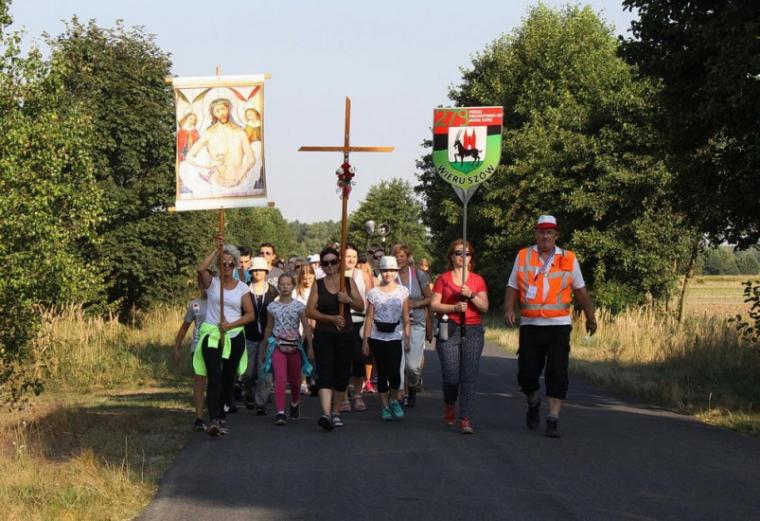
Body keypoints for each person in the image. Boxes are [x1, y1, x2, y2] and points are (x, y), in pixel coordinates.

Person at [504, 215, 597, 438]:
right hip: (531, 324)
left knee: (557, 372)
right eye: (541, 232)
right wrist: (509, 309)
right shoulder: (523, 255)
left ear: (556, 235)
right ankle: (534, 400)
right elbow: (512, 285)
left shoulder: (568, 258)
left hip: (559, 325)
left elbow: (580, 290)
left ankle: (553, 419)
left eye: (549, 232)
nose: (545, 236)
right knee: (526, 374)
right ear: (535, 234)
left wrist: (590, 316)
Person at [195, 237, 255, 436]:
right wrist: (216, 250)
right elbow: (200, 269)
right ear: (219, 265)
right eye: (223, 263)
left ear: (235, 265)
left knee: (228, 379)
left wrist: (231, 325)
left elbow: (250, 315)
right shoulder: (212, 283)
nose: (227, 266)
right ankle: (213, 420)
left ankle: (221, 414)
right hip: (213, 335)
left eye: (230, 263)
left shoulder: (242, 287)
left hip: (234, 335)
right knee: (214, 377)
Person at [430, 239, 489, 434]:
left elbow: (484, 307)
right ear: (451, 256)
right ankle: (449, 402)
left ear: (471, 257)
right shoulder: (443, 279)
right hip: (449, 328)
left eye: (467, 253)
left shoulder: (477, 280)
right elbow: (434, 305)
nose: (463, 257)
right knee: (451, 377)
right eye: (458, 253)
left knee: (469, 376)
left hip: (473, 330)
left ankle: (465, 418)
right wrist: (454, 307)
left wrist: (471, 295)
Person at [305, 246, 364, 430]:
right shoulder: (318, 284)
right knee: (325, 374)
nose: (330, 266)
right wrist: (330, 318)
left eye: (333, 262)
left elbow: (361, 306)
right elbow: (309, 311)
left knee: (341, 375)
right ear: (322, 265)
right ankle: (326, 414)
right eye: (326, 263)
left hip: (345, 335)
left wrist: (347, 300)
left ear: (339, 263)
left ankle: (336, 412)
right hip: (324, 334)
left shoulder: (347, 282)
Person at [262, 273, 314, 426]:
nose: (285, 287)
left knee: (295, 381)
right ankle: (280, 412)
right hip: (277, 346)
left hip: (294, 347)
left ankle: (295, 402)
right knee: (280, 378)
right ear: (278, 286)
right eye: (282, 284)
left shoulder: (299, 306)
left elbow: (306, 327)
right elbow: (268, 327)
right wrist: (264, 347)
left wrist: (310, 346)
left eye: (288, 284)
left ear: (293, 286)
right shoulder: (272, 307)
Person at [362, 256, 411, 421]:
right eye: (384, 270)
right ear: (381, 272)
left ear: (396, 272)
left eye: (391, 270)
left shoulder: (402, 291)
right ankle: (384, 406)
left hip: (395, 336)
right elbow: (369, 317)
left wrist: (407, 337)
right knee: (382, 373)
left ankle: (394, 399)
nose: (388, 273)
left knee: (395, 373)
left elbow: (406, 317)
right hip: (377, 336)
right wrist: (365, 340)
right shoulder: (373, 292)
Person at [393, 244, 433, 408]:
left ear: (408, 257)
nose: (399, 259)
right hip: (397, 324)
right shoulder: (390, 275)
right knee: (399, 363)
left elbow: (430, 298)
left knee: (413, 366)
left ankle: (414, 383)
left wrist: (416, 304)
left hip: (416, 323)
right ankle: (400, 395)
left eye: (402, 256)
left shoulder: (419, 275)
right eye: (396, 256)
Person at [185, 98, 255, 188]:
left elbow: (251, 159)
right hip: (218, 184)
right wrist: (208, 165)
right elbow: (189, 157)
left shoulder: (240, 132)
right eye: (217, 111)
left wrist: (238, 178)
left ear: (228, 109)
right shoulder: (209, 133)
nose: (221, 113)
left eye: (223, 109)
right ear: (213, 114)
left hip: (241, 183)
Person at [243, 256, 279, 413]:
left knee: (264, 371)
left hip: (268, 337)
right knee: (248, 372)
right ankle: (249, 393)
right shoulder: (244, 289)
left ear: (266, 272)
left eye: (261, 270)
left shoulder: (273, 291)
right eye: (255, 270)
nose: (258, 273)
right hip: (248, 335)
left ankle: (261, 403)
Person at [340, 244, 374, 412]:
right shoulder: (336, 275)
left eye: (354, 256)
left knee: (359, 359)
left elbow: (372, 299)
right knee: (343, 361)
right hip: (341, 322)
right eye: (348, 256)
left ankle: (358, 395)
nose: (351, 259)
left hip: (360, 321)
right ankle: (343, 396)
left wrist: (370, 322)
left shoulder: (364, 275)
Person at [173, 276, 208, 431]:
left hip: (216, 346)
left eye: (209, 285)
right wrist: (177, 346)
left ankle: (217, 413)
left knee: (216, 380)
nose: (206, 288)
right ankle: (199, 417)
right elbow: (184, 327)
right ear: (199, 286)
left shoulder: (220, 303)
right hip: (198, 347)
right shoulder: (195, 305)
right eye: (203, 285)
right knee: (199, 380)